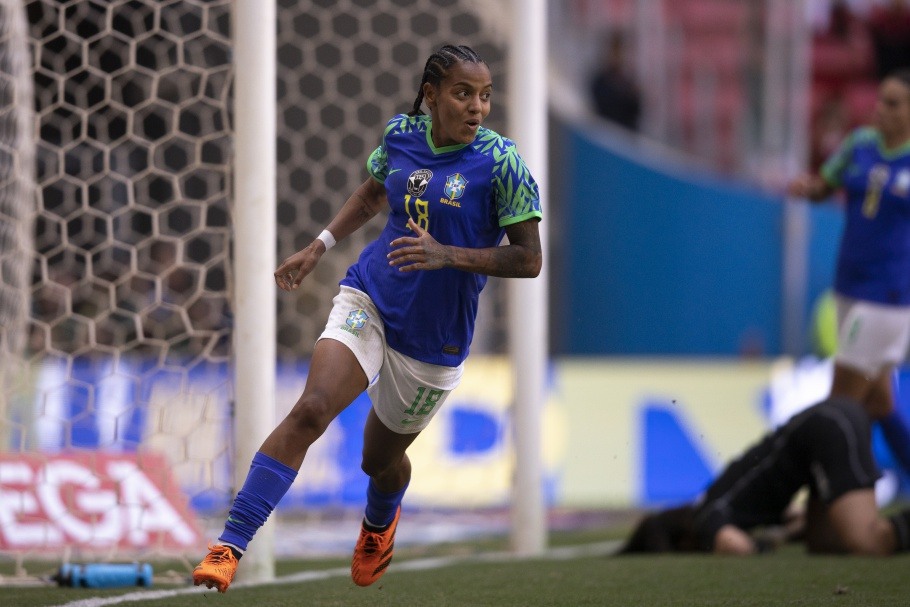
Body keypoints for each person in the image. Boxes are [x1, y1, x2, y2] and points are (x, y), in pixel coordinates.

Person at [192, 44, 543, 593]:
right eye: (463, 93)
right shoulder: (401, 134)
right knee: (311, 410)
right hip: (371, 297)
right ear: (430, 96)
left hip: (433, 342)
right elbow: (375, 191)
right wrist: (320, 244)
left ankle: (380, 521)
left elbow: (530, 259)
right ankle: (228, 546)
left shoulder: (503, 164)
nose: (477, 107)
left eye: (485, 96)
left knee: (378, 461)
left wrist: (448, 254)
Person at [787, 69, 910, 476]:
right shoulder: (859, 145)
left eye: (893, 104)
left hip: (888, 297)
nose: (881, 110)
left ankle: (821, 499)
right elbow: (827, 182)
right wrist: (811, 188)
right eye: (880, 100)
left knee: (841, 403)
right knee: (878, 402)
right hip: (849, 284)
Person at [621, 397, 910, 556]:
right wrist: (786, 532)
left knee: (868, 542)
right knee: (824, 543)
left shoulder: (709, 516)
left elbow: (736, 546)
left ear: (682, 543)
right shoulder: (720, 498)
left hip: (828, 428)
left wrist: (763, 544)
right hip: (831, 420)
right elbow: (794, 517)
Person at [588, 31, 642, 131]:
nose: (618, 56)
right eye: (614, 51)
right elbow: (604, 108)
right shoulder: (599, 81)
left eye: (620, 51)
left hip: (626, 139)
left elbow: (636, 113)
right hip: (605, 135)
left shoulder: (629, 82)